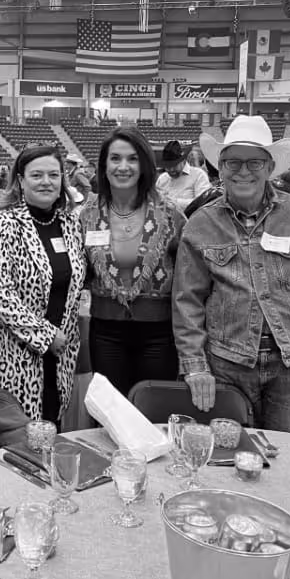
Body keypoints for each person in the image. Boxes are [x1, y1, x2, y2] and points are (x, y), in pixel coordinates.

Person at [173, 116, 290, 433]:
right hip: (226, 364)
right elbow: (187, 302)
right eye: (232, 162)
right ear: (221, 168)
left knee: (289, 457)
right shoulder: (199, 224)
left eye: (254, 162)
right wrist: (195, 366)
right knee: (228, 455)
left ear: (270, 167)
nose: (242, 171)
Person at [0, 146, 87, 422]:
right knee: (18, 443)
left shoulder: (71, 224)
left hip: (60, 357)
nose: (46, 181)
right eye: (36, 175)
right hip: (17, 357)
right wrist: (46, 336)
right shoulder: (2, 224)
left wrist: (60, 342)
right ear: (21, 180)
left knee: (52, 429)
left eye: (54, 174)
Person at [81, 128, 187, 396]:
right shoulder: (87, 215)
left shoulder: (171, 214)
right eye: (115, 158)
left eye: (132, 159)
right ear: (103, 165)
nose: (123, 167)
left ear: (145, 165)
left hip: (159, 334)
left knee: (153, 413)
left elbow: (189, 280)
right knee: (110, 413)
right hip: (105, 332)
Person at [155, 140, 212, 210]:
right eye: (168, 167)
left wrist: (173, 202)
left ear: (184, 161)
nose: (171, 170)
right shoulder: (162, 178)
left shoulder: (198, 175)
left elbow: (203, 203)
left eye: (175, 165)